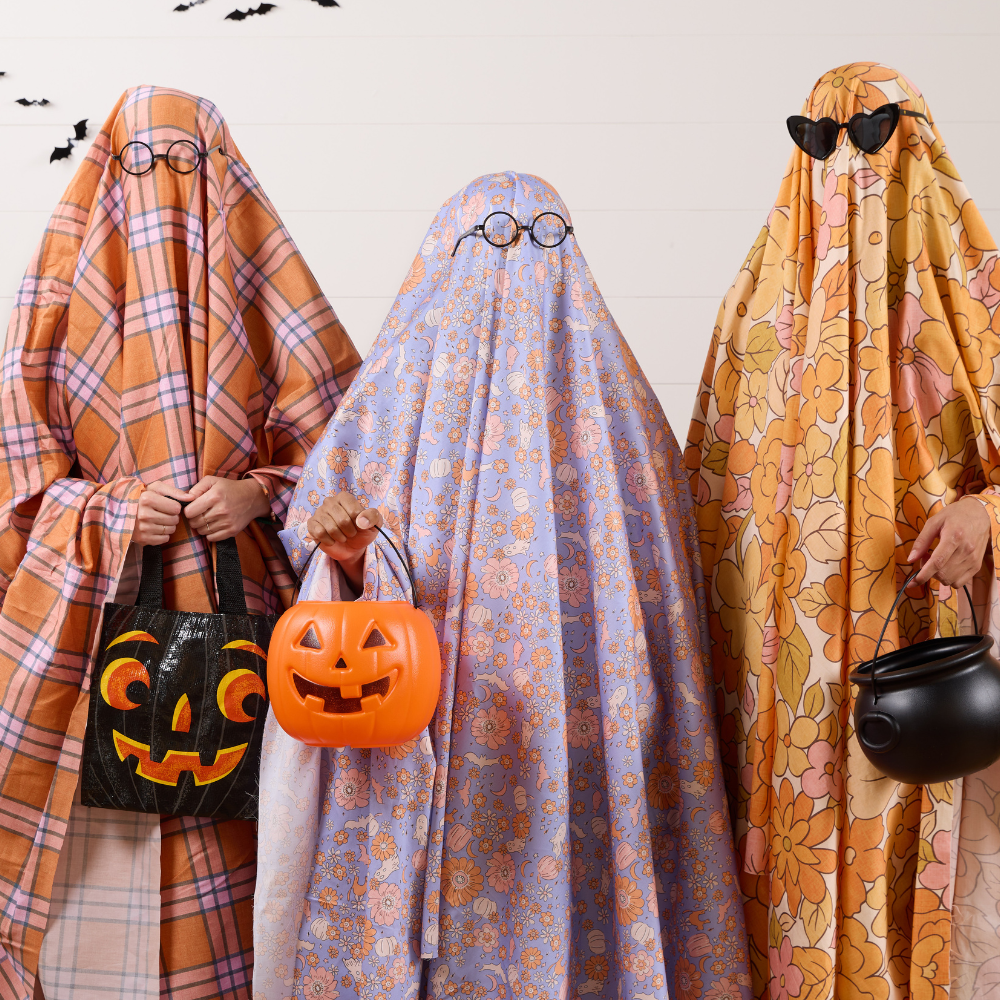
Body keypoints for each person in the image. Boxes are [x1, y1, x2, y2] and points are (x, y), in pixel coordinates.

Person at [254, 172, 752, 1000]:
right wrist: (349, 550)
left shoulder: (622, 411)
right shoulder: (388, 399)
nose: (518, 262)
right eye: (491, 239)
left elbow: (666, 594)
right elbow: (319, 535)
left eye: (545, 239)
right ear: (445, 256)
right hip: (425, 719)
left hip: (577, 734)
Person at [0, 86, 361, 999]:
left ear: (225, 171)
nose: (163, 188)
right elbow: (16, 485)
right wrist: (114, 513)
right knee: (92, 894)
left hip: (241, 630)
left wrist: (256, 493)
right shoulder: (53, 291)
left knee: (239, 854)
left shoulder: (271, 280)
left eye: (187, 162)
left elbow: (351, 461)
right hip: (96, 635)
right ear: (104, 173)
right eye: (138, 163)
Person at [685, 62, 1000, 1000]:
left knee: (907, 870)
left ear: (917, 143)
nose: (843, 164)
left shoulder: (976, 301)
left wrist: (986, 511)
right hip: (776, 675)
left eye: (870, 136)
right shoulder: (754, 308)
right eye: (819, 140)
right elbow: (705, 487)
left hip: (924, 653)